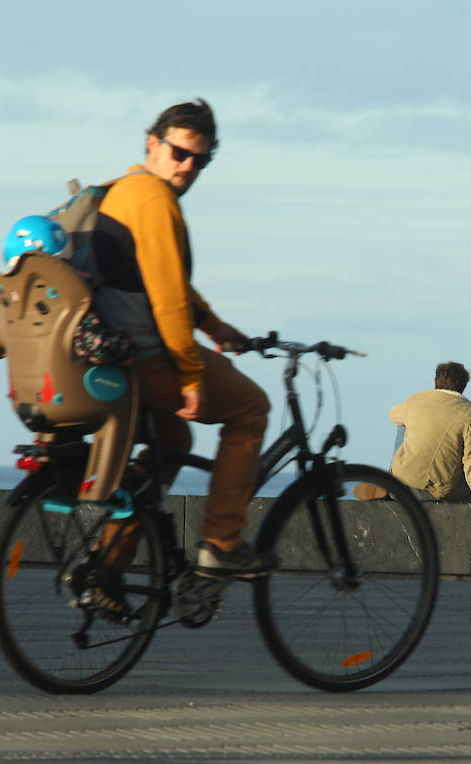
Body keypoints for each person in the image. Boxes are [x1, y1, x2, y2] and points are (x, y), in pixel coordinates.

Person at [93, 99, 275, 580]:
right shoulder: (154, 200)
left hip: (117, 356)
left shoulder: (122, 191)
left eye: (201, 159)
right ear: (153, 144)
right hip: (148, 358)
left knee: (172, 441)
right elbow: (169, 299)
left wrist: (215, 327)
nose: (189, 167)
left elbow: (164, 281)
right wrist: (191, 375)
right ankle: (221, 542)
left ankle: (107, 569)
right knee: (251, 409)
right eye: (180, 153)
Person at [390, 362, 471, 512]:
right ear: (463, 386)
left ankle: (398, 474)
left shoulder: (415, 400)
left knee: (404, 424)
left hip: (399, 484)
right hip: (436, 493)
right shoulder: (470, 413)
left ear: (436, 381)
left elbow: (393, 415)